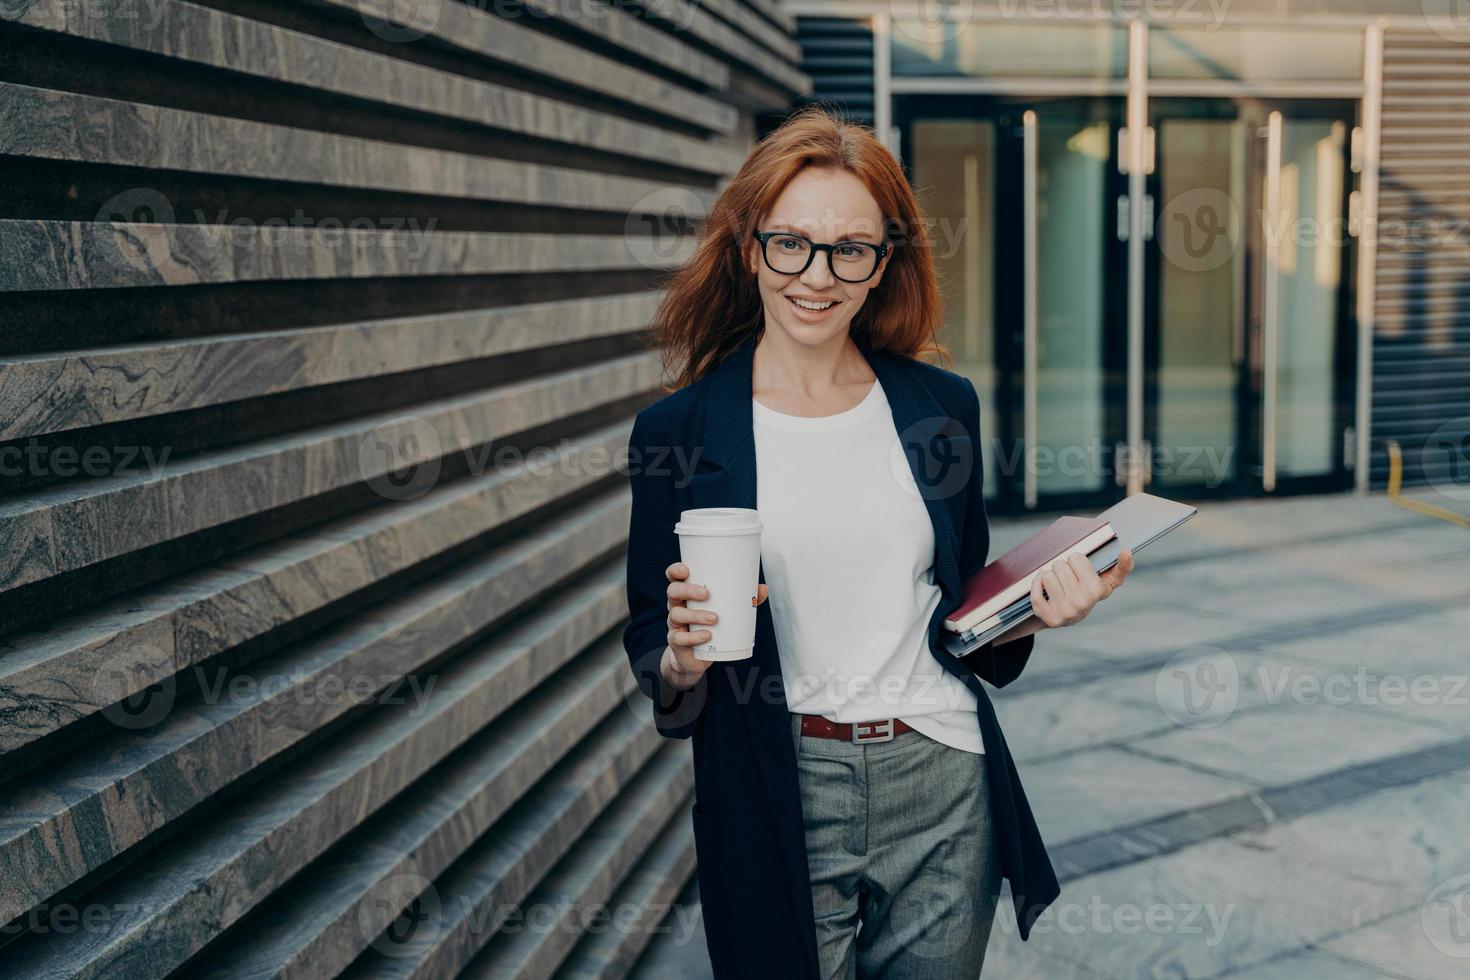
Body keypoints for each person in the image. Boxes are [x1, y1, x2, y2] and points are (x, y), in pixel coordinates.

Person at [621, 104, 1134, 980]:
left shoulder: (941, 408)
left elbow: (958, 613)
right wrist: (680, 659)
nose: (816, 275)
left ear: (881, 263)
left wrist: (1040, 612)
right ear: (750, 250)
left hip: (940, 779)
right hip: (781, 782)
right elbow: (652, 648)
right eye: (791, 243)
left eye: (849, 249)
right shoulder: (681, 430)